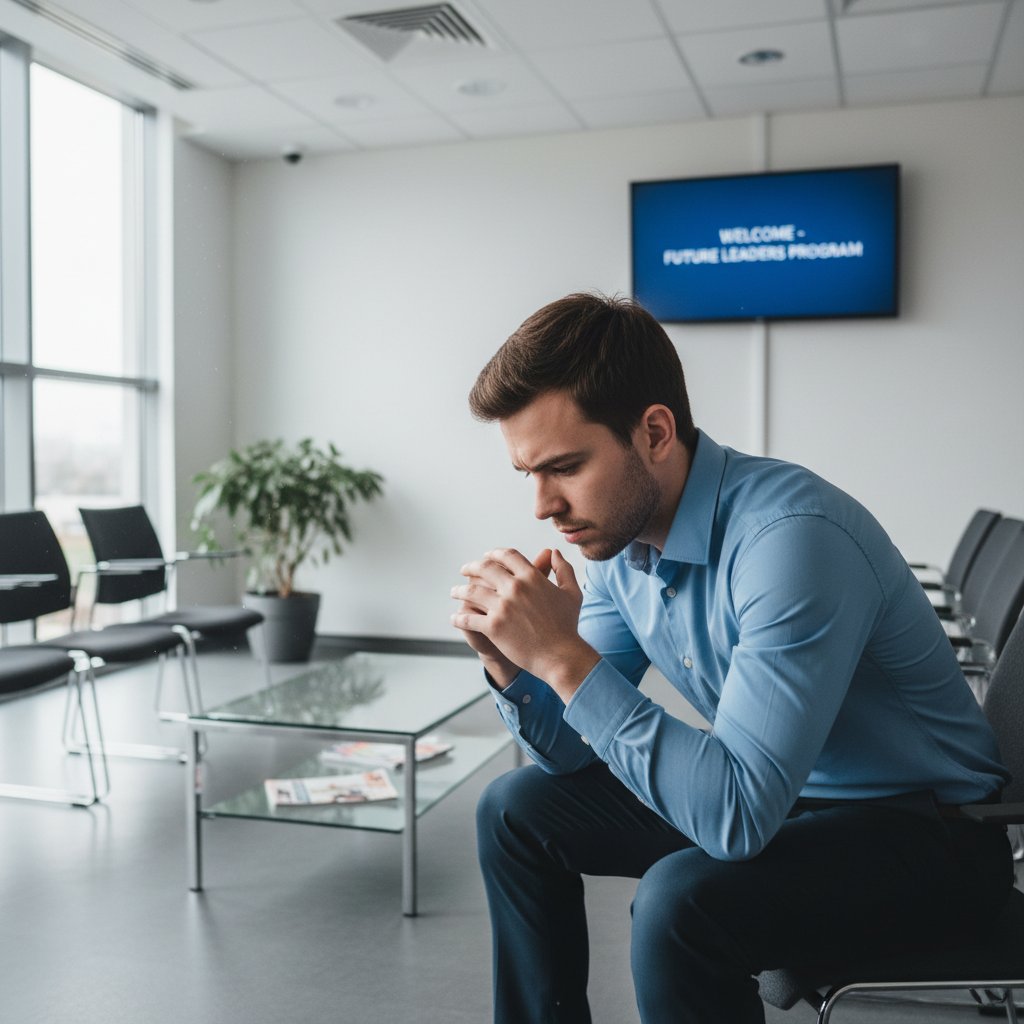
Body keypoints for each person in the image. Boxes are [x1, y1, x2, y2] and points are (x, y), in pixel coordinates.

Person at [449, 292, 1014, 1024]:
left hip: (928, 838)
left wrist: (563, 657)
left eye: (564, 466)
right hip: (794, 803)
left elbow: (737, 818)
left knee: (680, 901)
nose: (542, 506)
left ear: (653, 432)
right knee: (514, 808)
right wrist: (512, 666)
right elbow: (565, 753)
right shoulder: (621, 549)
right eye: (527, 473)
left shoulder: (790, 539)